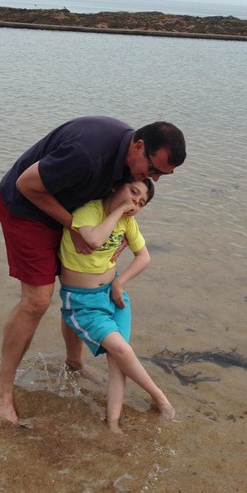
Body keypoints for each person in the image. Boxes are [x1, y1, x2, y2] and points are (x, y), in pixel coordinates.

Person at [0, 116, 186, 424]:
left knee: (73, 288)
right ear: (139, 146)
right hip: (26, 209)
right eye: (154, 170)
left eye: (164, 175)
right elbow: (25, 184)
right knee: (38, 300)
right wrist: (76, 227)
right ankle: (1, 392)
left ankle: (74, 361)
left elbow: (119, 210)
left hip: (68, 212)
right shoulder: (87, 153)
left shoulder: (130, 162)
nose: (155, 179)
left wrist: (111, 235)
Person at [59, 178, 174, 432]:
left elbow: (144, 257)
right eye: (133, 193)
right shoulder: (91, 210)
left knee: (118, 359)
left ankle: (112, 422)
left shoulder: (128, 223)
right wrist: (120, 209)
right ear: (115, 186)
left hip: (113, 297)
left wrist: (120, 282)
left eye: (141, 202)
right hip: (82, 303)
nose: (135, 202)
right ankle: (158, 396)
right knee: (122, 351)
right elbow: (94, 240)